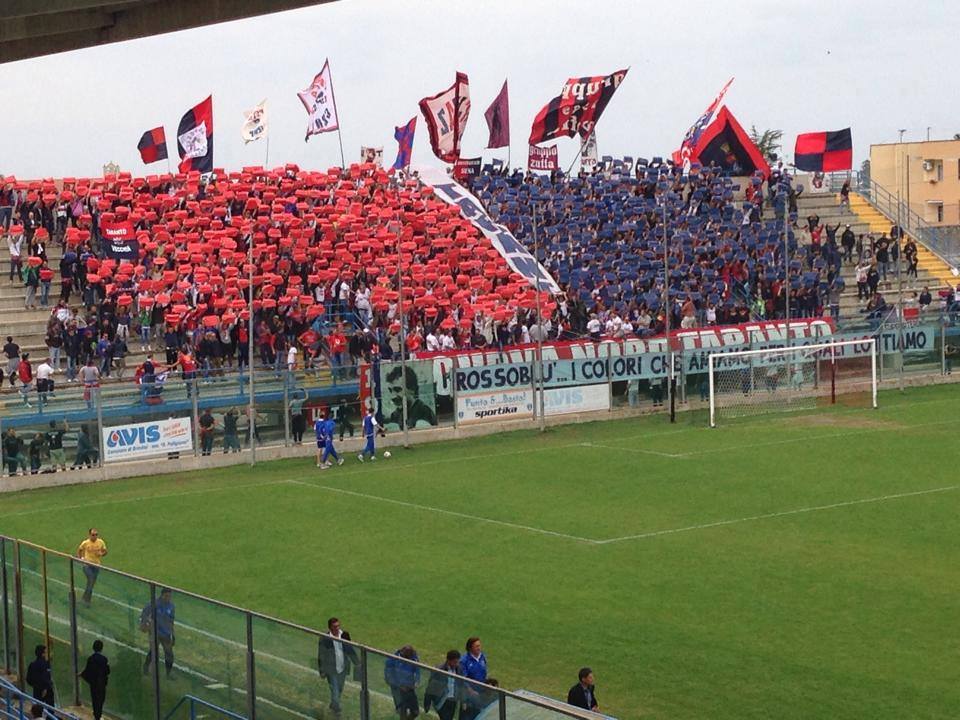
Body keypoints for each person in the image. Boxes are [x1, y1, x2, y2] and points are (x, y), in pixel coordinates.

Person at [317, 617, 358, 717]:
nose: (337, 628)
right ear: (330, 627)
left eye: (338, 626)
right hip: (331, 670)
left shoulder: (344, 635)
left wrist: (357, 662)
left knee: (339, 690)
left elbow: (349, 649)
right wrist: (322, 670)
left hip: (342, 669)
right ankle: (337, 712)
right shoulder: (325, 638)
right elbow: (321, 654)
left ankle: (333, 705)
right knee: (335, 691)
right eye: (335, 626)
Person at [384, 365, 437, 430]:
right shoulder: (397, 413)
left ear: (412, 390)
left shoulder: (423, 414)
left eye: (397, 389)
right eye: (390, 390)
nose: (393, 396)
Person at [140, 587, 176, 678]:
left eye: (170, 596)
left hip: (166, 633)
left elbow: (171, 621)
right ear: (162, 595)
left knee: (169, 654)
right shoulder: (154, 604)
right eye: (166, 596)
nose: (168, 598)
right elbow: (144, 614)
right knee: (153, 652)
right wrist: (144, 625)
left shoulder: (171, 606)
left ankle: (168, 673)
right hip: (155, 632)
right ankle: (146, 668)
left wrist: (172, 634)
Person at [423, 650, 463, 720]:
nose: (456, 664)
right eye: (455, 662)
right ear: (449, 660)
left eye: (457, 662)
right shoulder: (439, 670)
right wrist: (427, 703)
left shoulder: (459, 669)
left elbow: (461, 684)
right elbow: (431, 687)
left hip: (453, 701)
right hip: (442, 700)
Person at [385, 645, 421, 720]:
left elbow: (417, 670)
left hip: (410, 688)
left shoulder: (414, 657)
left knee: (415, 712)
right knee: (402, 712)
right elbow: (389, 676)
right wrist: (399, 685)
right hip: (398, 689)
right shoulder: (393, 658)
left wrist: (416, 682)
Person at [79, 639, 110, 720]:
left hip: (94, 683)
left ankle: (97, 715)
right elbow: (107, 671)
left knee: (95, 699)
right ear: (101, 648)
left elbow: (87, 670)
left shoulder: (91, 658)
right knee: (101, 699)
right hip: (102, 683)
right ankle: (98, 715)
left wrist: (81, 674)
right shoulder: (104, 659)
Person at [77, 528, 107, 604]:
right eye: (93, 535)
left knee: (91, 583)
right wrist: (81, 558)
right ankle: (87, 600)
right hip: (87, 565)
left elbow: (105, 551)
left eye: (96, 534)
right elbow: (80, 550)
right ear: (89, 535)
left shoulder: (100, 542)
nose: (95, 536)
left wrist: (101, 554)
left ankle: (85, 598)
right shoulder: (86, 543)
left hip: (96, 565)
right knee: (91, 579)